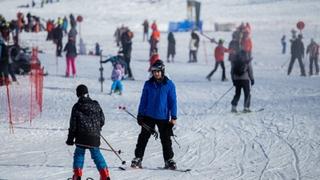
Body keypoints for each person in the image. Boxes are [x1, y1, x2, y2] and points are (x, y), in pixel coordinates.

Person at [131, 60, 178, 170]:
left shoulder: (169, 85)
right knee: (143, 138)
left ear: (162, 71)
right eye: (154, 71)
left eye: (158, 71)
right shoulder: (148, 84)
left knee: (166, 139)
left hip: (163, 117)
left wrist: (174, 117)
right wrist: (140, 114)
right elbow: (143, 100)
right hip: (149, 115)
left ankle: (168, 160)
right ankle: (138, 158)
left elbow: (173, 101)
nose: (156, 73)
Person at [66, 84, 111, 180]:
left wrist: (70, 139)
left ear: (78, 94)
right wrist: (97, 129)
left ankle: (77, 175)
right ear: (87, 93)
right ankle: (105, 175)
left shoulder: (77, 107)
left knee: (79, 154)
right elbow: (102, 120)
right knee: (96, 154)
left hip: (81, 137)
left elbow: (73, 125)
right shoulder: (96, 104)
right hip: (94, 136)